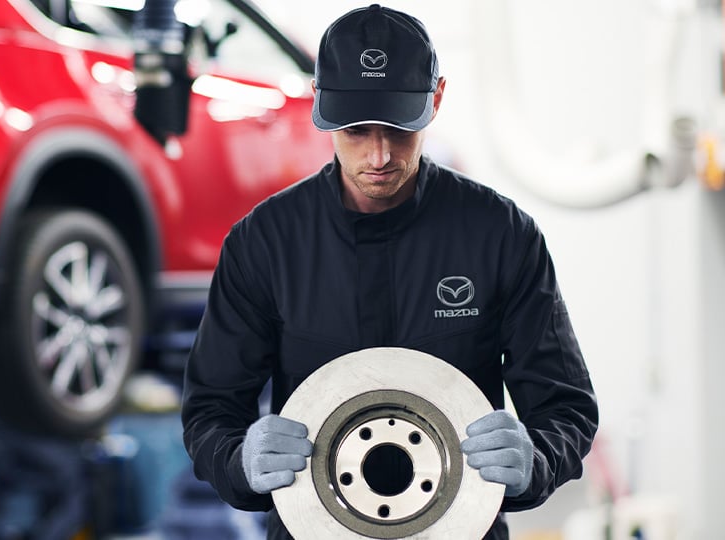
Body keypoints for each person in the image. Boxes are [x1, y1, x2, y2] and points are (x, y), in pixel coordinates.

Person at [180, 4, 598, 540]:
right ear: (320, 104)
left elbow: (567, 407)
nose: (379, 155)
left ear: (436, 99)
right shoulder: (264, 243)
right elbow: (211, 411)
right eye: (356, 130)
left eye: (399, 128)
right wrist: (238, 461)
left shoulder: (501, 235)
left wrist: (535, 459)